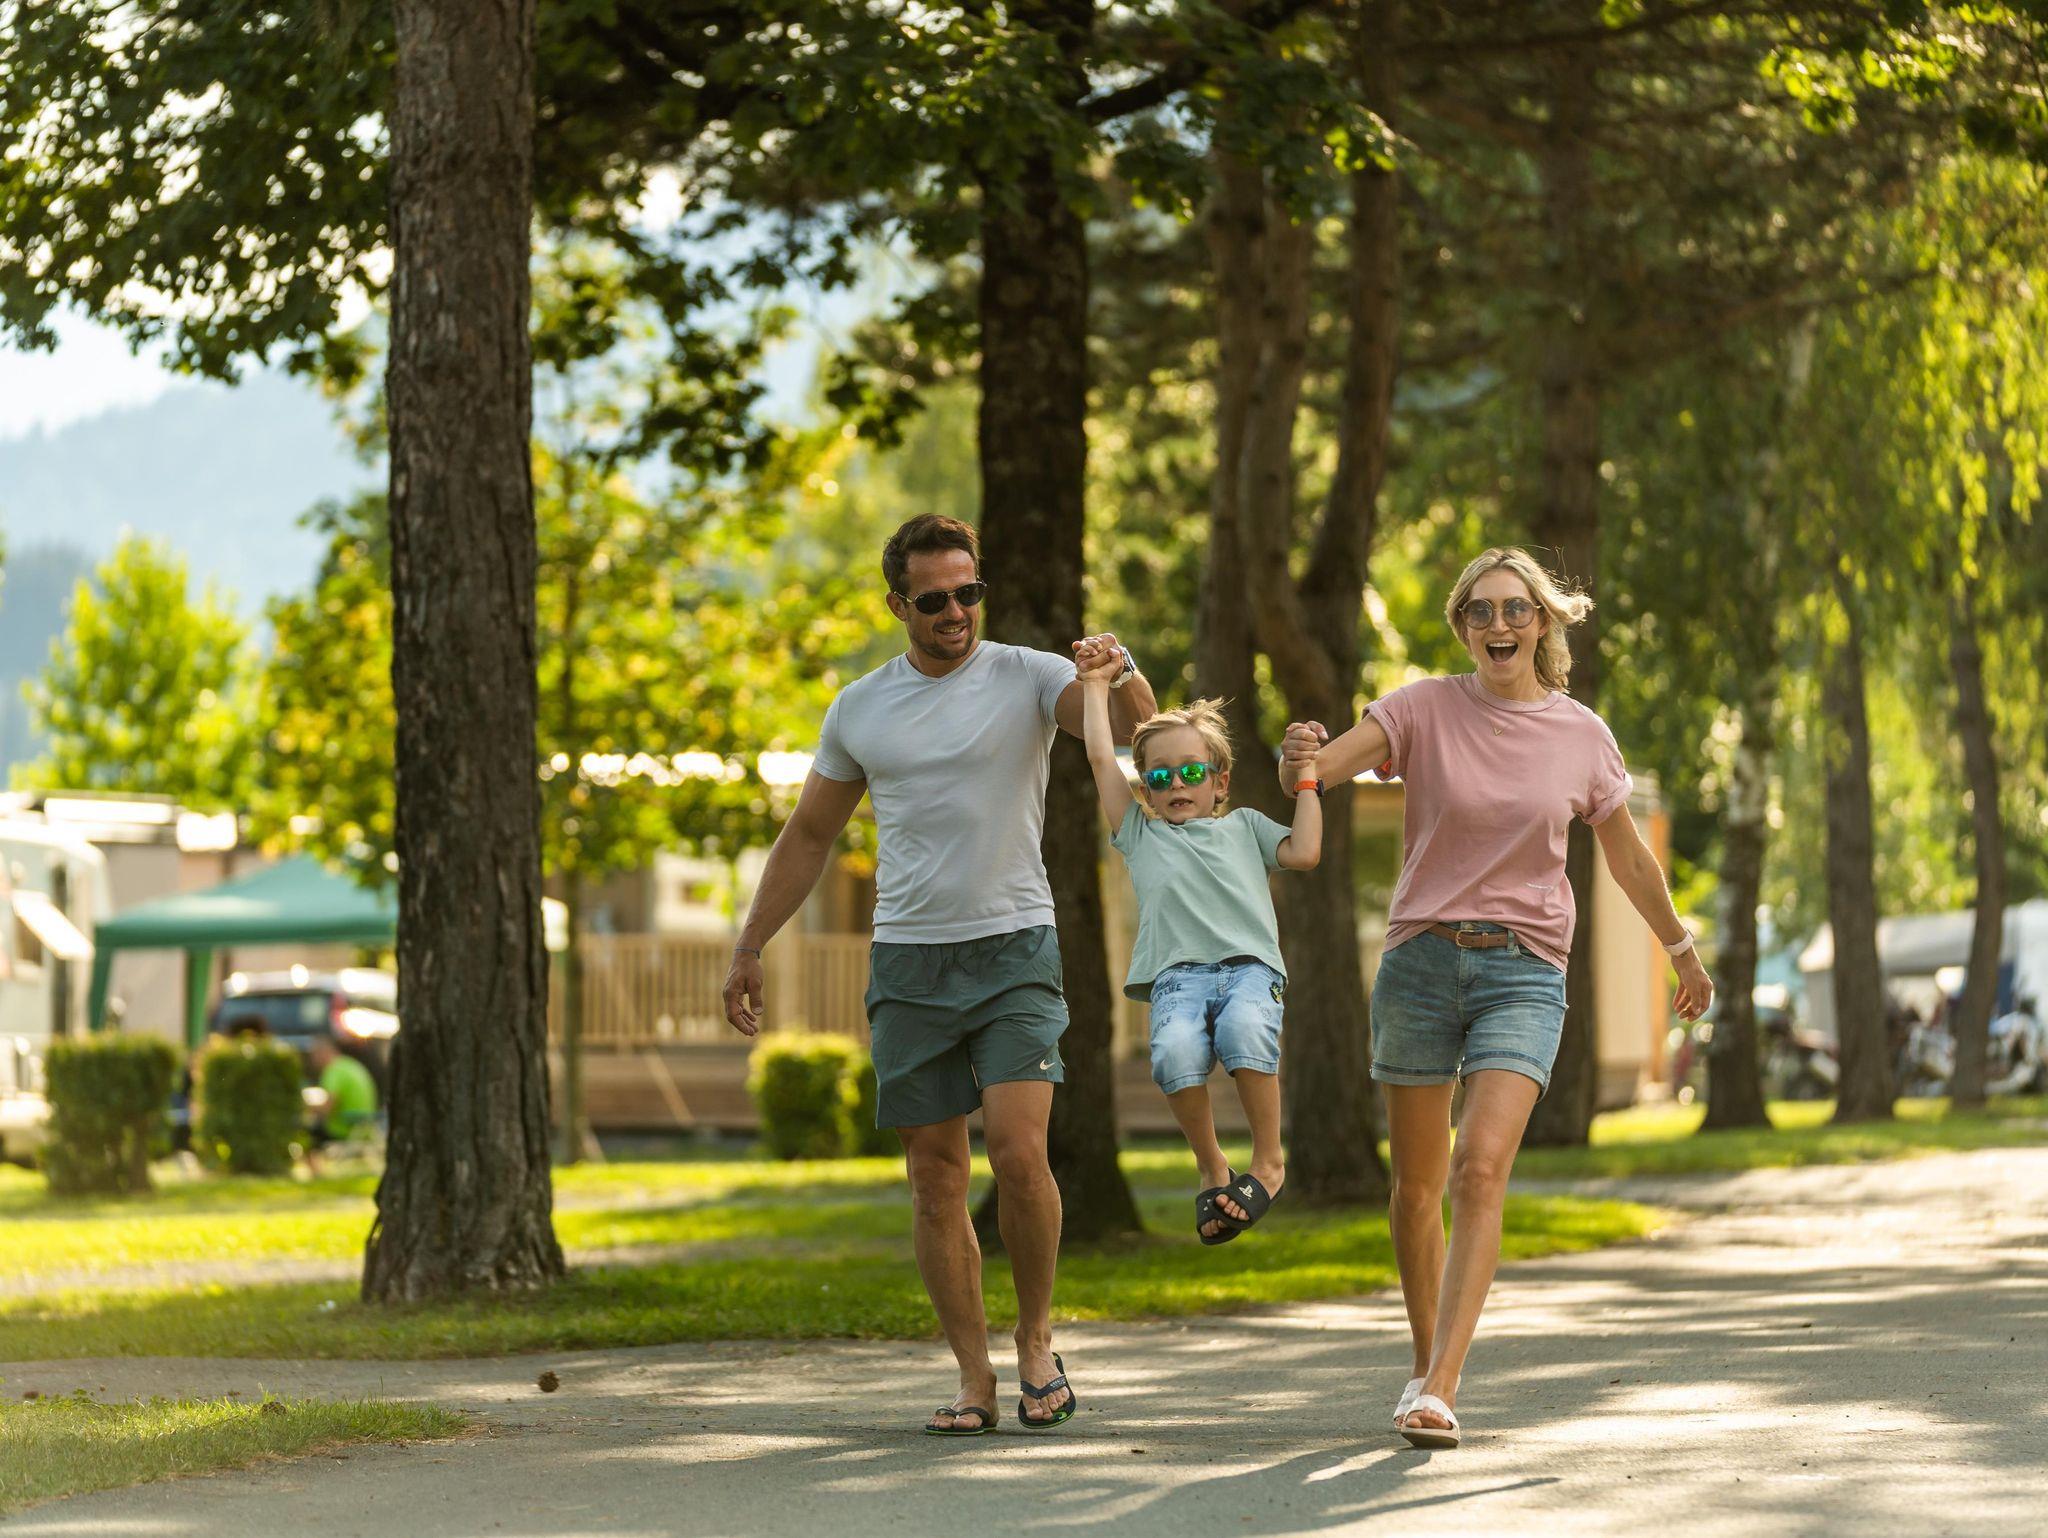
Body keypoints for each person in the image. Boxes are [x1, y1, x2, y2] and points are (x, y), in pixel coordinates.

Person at [721, 513, 1157, 1436]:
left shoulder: (1030, 675)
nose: (955, 611)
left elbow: (1135, 730)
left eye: (969, 592)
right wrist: (749, 944)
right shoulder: (861, 707)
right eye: (934, 600)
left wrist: (1118, 671)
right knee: (933, 1175)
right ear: (898, 606)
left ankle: (1035, 1341)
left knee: (1020, 1151)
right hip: (909, 957)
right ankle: (972, 1375)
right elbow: (810, 835)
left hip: (1015, 945)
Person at [1284, 546, 1712, 1450]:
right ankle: (1423, 1366)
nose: (1499, 624)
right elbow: (1321, 770)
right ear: (1463, 628)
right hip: (1420, 964)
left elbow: (1629, 858)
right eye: (1480, 611)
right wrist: (1303, 760)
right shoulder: (1421, 709)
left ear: (1542, 622)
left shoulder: (1581, 735)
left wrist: (1681, 949)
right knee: (1415, 1187)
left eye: (1516, 608)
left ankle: (1442, 1385)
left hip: (1525, 970)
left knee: (1478, 1166)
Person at [1079, 683, 1320, 1242]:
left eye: (1191, 772)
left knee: (1243, 1029)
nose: (1177, 785)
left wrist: (1308, 779)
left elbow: (1305, 852)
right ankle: (1213, 1167)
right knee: (1173, 1052)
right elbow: (1099, 758)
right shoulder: (1139, 834)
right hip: (1176, 978)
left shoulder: (1246, 827)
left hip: (1249, 968)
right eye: (1160, 777)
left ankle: (1269, 1163)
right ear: (1146, 789)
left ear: (1220, 782)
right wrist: (1093, 686)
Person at [305, 1035, 378, 1161]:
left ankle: (316, 1170)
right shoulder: (349, 1064)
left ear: (323, 1053)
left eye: (314, 1056)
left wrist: (306, 1108)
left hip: (346, 1125)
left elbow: (328, 1107)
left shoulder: (334, 1071)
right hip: (365, 1123)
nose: (313, 1061)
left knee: (306, 1134)